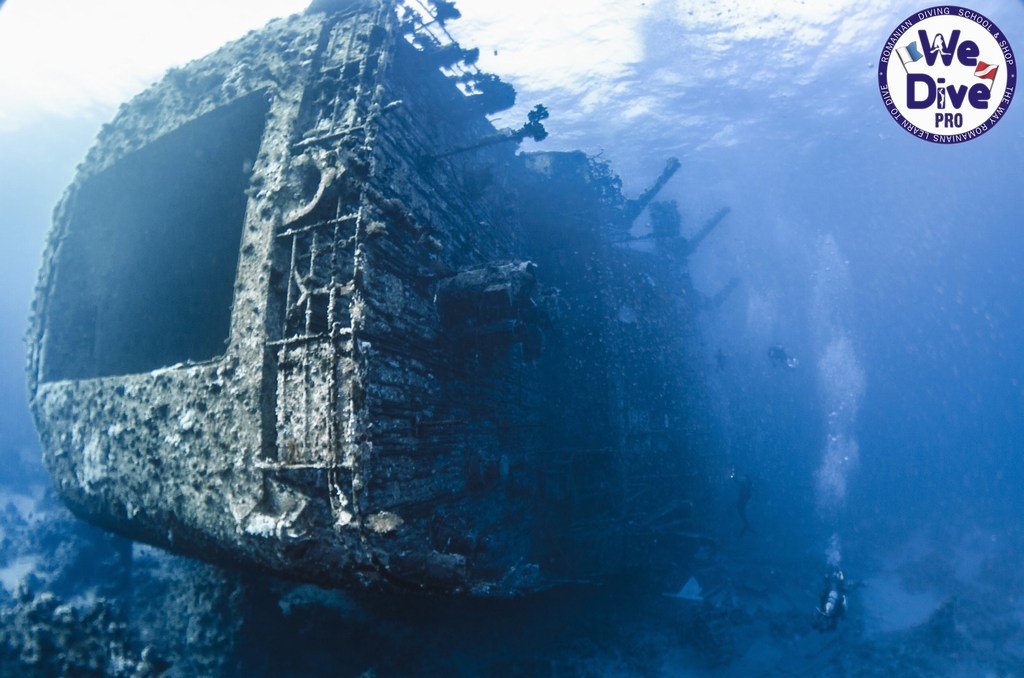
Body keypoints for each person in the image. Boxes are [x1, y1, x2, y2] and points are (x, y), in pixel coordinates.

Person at [814, 567, 847, 632]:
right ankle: (837, 571)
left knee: (832, 586)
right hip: (834, 598)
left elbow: (823, 600)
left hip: (832, 597)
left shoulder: (826, 612)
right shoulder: (832, 615)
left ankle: (833, 572)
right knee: (837, 586)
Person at [730, 468, 753, 536]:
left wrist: (732, 475)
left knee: (741, 510)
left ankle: (746, 525)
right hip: (744, 499)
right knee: (741, 511)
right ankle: (746, 525)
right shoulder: (748, 482)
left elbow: (737, 480)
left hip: (743, 499)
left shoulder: (745, 480)